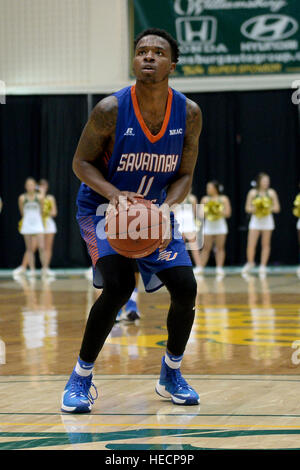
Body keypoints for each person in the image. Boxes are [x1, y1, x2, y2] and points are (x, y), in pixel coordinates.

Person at [61, 28, 202, 413]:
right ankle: (80, 377)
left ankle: (170, 373)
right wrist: (113, 194)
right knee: (120, 287)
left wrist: (166, 208)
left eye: (158, 52)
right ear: (133, 60)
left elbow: (185, 175)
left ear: (172, 64)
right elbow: (80, 163)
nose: (148, 57)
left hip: (153, 212)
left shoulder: (188, 113)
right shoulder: (110, 109)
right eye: (141, 51)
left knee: (186, 287)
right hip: (104, 210)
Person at [242, 173, 280, 276]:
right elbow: (247, 208)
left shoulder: (271, 193)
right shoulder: (253, 193)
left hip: (267, 220)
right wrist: (256, 208)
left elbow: (277, 208)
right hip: (255, 220)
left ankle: (263, 265)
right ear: (259, 181)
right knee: (251, 243)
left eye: (268, 181)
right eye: (264, 181)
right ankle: (250, 263)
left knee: (266, 244)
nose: (266, 183)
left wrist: (266, 208)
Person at [13, 178, 46, 278]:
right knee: (29, 248)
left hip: (38, 223)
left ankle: (44, 269)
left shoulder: (39, 197)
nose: (30, 187)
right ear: (25, 186)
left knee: (41, 247)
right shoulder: (22, 198)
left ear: (35, 186)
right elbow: (22, 212)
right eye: (28, 185)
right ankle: (32, 270)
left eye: (32, 185)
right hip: (27, 224)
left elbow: (41, 210)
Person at [198, 181, 231, 277]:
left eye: (209, 187)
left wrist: (217, 211)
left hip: (220, 226)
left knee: (220, 248)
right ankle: (201, 267)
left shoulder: (223, 199)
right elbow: (200, 214)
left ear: (215, 188)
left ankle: (219, 268)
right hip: (209, 226)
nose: (208, 189)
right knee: (206, 248)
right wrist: (209, 211)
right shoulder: (205, 199)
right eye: (207, 188)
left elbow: (228, 213)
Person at [173, 191, 202, 274]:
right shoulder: (176, 197)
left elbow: (195, 212)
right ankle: (179, 265)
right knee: (180, 245)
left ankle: (199, 266)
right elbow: (174, 210)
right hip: (179, 222)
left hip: (189, 223)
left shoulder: (192, 198)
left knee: (194, 245)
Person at [38, 179, 58, 276]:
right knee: (41, 247)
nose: (43, 187)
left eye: (44, 186)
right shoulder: (37, 198)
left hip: (48, 223)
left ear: (47, 187)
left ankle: (46, 268)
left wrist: (46, 213)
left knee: (48, 247)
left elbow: (54, 212)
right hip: (38, 224)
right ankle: (42, 267)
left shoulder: (50, 198)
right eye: (41, 186)